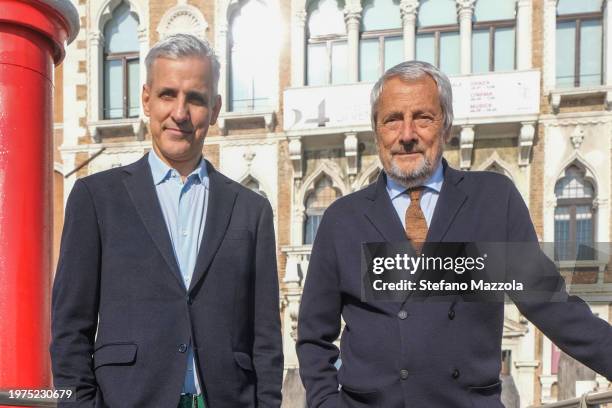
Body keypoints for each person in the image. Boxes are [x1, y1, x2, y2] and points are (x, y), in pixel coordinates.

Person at [296, 60, 612, 408]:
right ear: (376, 131)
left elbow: (552, 307)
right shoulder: (343, 218)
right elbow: (314, 337)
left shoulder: (492, 201)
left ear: (445, 126)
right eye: (392, 120)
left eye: (423, 117)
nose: (407, 134)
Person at [50, 33, 283, 408]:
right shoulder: (96, 199)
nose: (180, 112)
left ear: (216, 108)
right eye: (167, 94)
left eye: (195, 99)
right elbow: (69, 331)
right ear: (146, 99)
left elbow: (266, 341)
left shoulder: (251, 210)